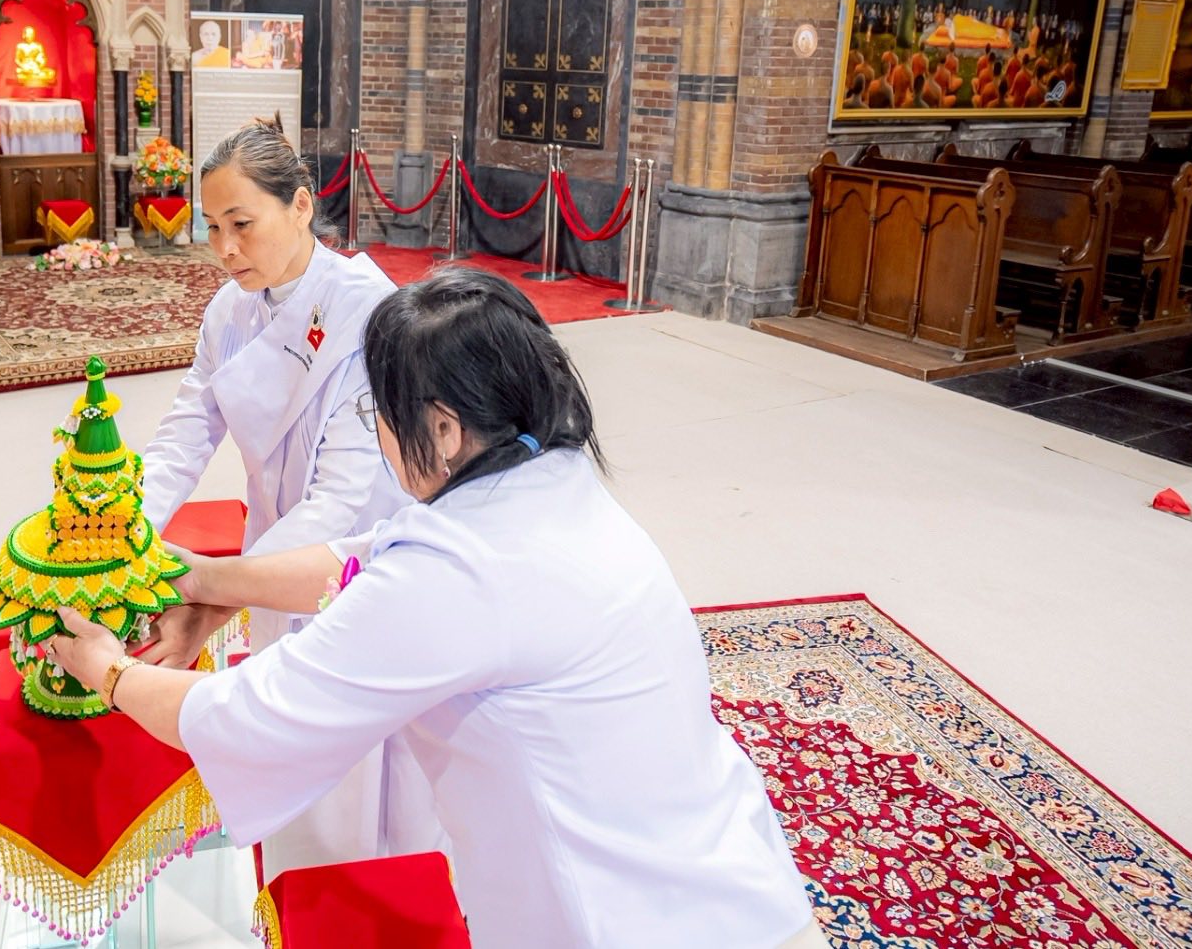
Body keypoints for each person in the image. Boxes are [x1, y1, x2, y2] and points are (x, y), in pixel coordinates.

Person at [46, 270, 820, 948]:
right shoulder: (549, 484)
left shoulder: (457, 574)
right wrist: (209, 583)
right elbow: (365, 558)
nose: (377, 434)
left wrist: (108, 671)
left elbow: (252, 712)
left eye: (377, 414)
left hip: (621, 920)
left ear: (443, 429)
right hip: (734, 883)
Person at [132, 119, 435, 876]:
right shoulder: (230, 310)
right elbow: (185, 430)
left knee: (358, 784)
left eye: (243, 224)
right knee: (284, 760)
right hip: (272, 556)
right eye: (212, 227)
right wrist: (120, 526)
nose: (225, 248)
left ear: (301, 206)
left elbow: (340, 499)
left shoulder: (371, 312)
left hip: (347, 569)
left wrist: (211, 597)